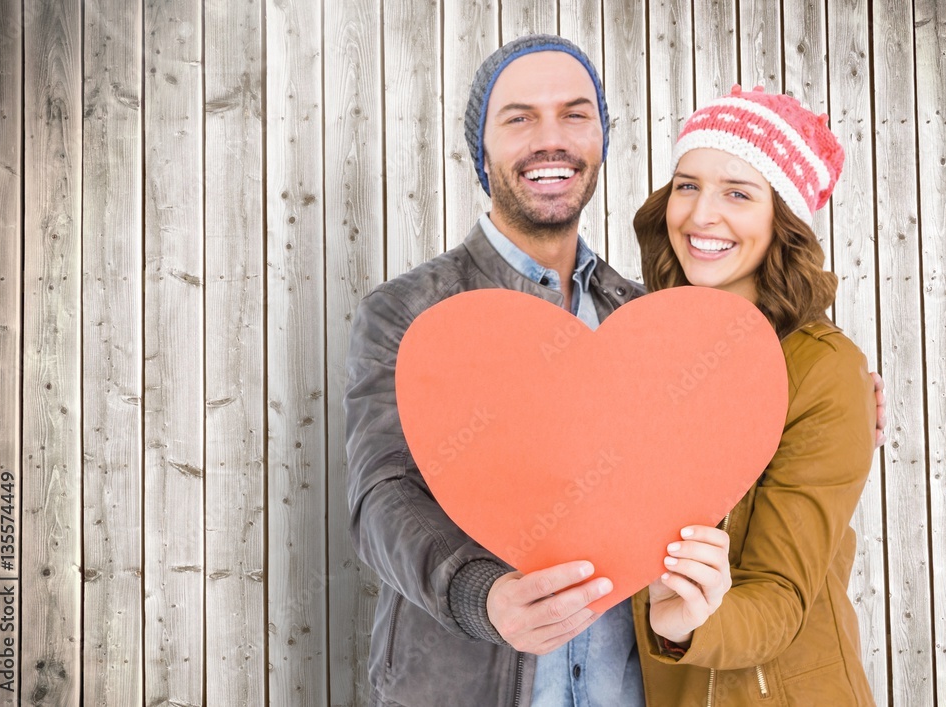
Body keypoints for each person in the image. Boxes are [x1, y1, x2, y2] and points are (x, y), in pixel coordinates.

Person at [345, 34, 885, 706]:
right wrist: (482, 595)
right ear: (480, 147)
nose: (551, 139)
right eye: (518, 117)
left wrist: (842, 390)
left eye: (575, 114)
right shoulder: (409, 312)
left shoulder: (647, 318)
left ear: (603, 139)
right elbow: (381, 497)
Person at [629, 85, 878, 706]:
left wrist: (685, 621)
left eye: (738, 193)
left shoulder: (825, 372)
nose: (701, 215)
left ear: (782, 220)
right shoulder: (642, 352)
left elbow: (780, 598)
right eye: (687, 185)